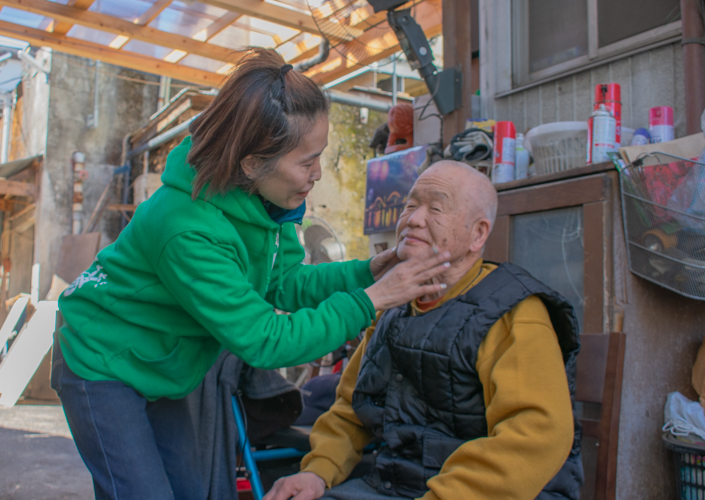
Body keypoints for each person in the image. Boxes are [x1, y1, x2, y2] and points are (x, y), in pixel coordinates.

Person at [51, 48, 451, 500]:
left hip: (164, 360)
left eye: (320, 155)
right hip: (101, 358)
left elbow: (284, 283)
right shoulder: (184, 227)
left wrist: (365, 272)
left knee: (191, 489)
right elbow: (265, 339)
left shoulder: (266, 203)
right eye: (306, 162)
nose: (317, 173)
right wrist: (373, 299)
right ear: (250, 163)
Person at [264, 160, 584, 500]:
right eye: (411, 205)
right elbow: (352, 408)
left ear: (478, 234)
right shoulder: (394, 305)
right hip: (396, 486)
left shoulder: (513, 310)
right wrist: (317, 471)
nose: (413, 219)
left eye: (436, 208)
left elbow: (536, 434)